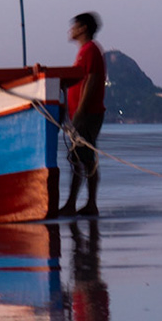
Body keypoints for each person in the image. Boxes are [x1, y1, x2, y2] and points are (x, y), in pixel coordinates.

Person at [60, 12, 106, 216]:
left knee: (84, 158)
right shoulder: (86, 51)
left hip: (87, 114)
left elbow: (92, 80)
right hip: (83, 113)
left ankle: (84, 204)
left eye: (75, 26)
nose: (71, 30)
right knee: (81, 158)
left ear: (83, 28)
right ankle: (80, 203)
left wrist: (80, 111)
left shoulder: (90, 51)